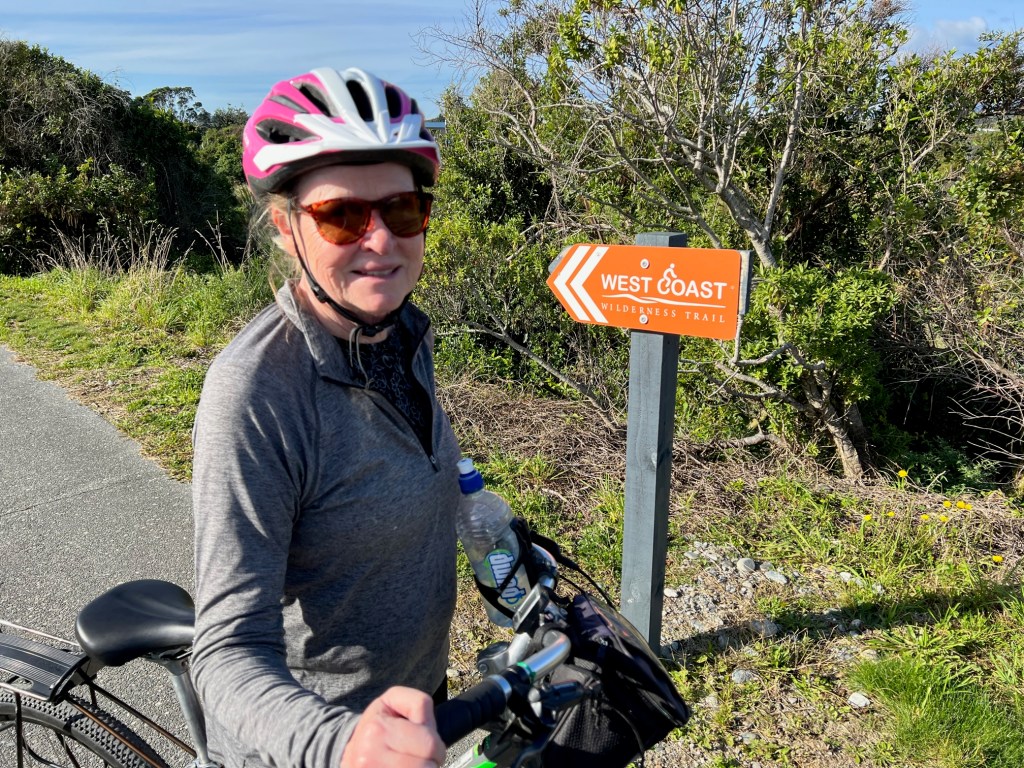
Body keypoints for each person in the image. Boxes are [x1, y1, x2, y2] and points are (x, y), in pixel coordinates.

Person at [190, 66, 462, 768]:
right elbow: (225, 649)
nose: (381, 241)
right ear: (287, 228)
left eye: (402, 210)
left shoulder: (403, 334)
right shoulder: (255, 393)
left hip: (420, 707)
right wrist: (340, 745)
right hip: (314, 743)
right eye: (342, 216)